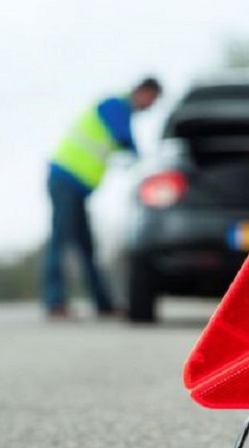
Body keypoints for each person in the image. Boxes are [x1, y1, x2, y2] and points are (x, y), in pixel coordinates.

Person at [43, 77, 162, 318]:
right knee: (61, 240)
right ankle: (54, 301)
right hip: (65, 178)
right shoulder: (115, 105)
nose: (150, 106)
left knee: (86, 246)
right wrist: (147, 162)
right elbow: (125, 138)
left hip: (76, 186)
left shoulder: (120, 111)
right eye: (152, 100)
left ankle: (103, 303)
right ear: (143, 91)